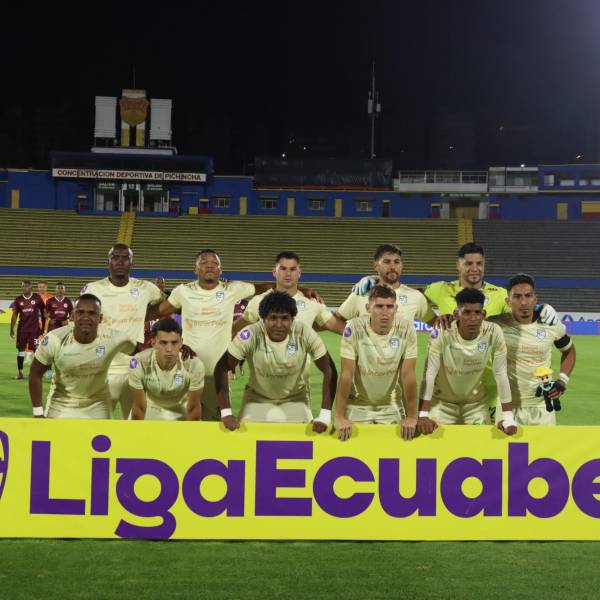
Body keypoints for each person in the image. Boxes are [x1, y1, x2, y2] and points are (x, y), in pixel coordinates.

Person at [151, 249, 320, 421]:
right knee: (181, 422)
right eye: (204, 262)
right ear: (195, 269)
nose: (209, 266)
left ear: (220, 269)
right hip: (186, 371)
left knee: (215, 424)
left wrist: (301, 289)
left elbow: (265, 287)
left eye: (214, 263)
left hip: (217, 374)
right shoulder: (182, 291)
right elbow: (159, 311)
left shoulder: (233, 289)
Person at [214, 291, 335, 431]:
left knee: (305, 438)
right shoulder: (251, 334)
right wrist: (226, 413)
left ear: (292, 319)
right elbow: (222, 367)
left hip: (296, 399)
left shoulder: (304, 332)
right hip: (256, 399)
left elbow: (329, 369)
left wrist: (325, 416)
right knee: (242, 437)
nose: (279, 324)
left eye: (284, 318)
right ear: (263, 319)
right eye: (273, 318)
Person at [335, 244, 432, 418]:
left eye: (397, 262)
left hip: (394, 395)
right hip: (362, 387)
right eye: (386, 262)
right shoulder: (361, 293)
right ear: (376, 265)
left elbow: (434, 322)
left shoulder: (416, 297)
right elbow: (338, 319)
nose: (392, 266)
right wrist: (354, 337)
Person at [418, 288, 517, 434]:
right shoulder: (441, 331)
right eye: (466, 312)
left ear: (483, 314)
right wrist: (423, 415)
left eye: (477, 312)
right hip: (441, 403)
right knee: (433, 442)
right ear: (456, 314)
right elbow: (429, 373)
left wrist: (508, 417)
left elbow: (501, 374)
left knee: (481, 444)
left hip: (475, 405)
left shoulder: (494, 331)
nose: (472, 318)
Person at [82, 244, 164, 418]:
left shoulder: (145, 288)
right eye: (115, 257)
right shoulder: (93, 289)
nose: (120, 261)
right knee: (97, 424)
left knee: (136, 425)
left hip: (135, 369)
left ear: (132, 263)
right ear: (108, 262)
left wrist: (144, 315)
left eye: (125, 258)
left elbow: (166, 305)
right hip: (102, 369)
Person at [28, 294, 136, 419]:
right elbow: (35, 374)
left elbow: (140, 352)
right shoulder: (54, 339)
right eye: (80, 312)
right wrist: (38, 413)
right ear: (73, 316)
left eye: (92, 313)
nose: (86, 317)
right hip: (61, 403)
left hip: (98, 404)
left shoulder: (115, 338)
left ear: (100, 318)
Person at [489, 273, 576, 426]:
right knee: (506, 444)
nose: (523, 302)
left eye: (528, 296)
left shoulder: (550, 324)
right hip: (507, 408)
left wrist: (562, 380)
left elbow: (569, 350)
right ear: (508, 301)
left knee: (545, 444)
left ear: (535, 299)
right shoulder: (496, 325)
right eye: (517, 297)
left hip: (543, 407)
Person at [334, 285, 418, 442]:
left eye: (389, 306)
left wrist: (412, 416)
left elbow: (408, 375)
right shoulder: (354, 328)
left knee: (395, 450)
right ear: (368, 308)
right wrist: (339, 416)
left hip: (391, 405)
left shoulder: (407, 329)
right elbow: (346, 374)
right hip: (357, 405)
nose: (385, 312)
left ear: (396, 309)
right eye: (379, 306)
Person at [233, 251, 340, 335]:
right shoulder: (259, 301)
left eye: (292, 269)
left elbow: (340, 328)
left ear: (299, 273)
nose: (288, 273)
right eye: (283, 268)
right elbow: (234, 331)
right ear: (274, 272)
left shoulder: (312, 302)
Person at [129, 319, 204, 421]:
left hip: (181, 410)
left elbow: (193, 408)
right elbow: (139, 406)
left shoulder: (194, 364)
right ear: (153, 342)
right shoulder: (138, 362)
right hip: (150, 408)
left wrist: (192, 430)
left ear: (181, 342)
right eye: (163, 343)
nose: (169, 349)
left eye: (174, 342)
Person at [10, 281, 45, 379]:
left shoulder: (37, 298)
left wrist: (42, 327)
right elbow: (14, 315)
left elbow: (43, 312)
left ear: (31, 287)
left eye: (26, 286)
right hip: (22, 330)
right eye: (22, 286)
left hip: (35, 330)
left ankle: (37, 373)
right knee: (20, 350)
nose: (23, 288)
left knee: (36, 350)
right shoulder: (18, 300)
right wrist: (11, 328)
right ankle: (20, 373)